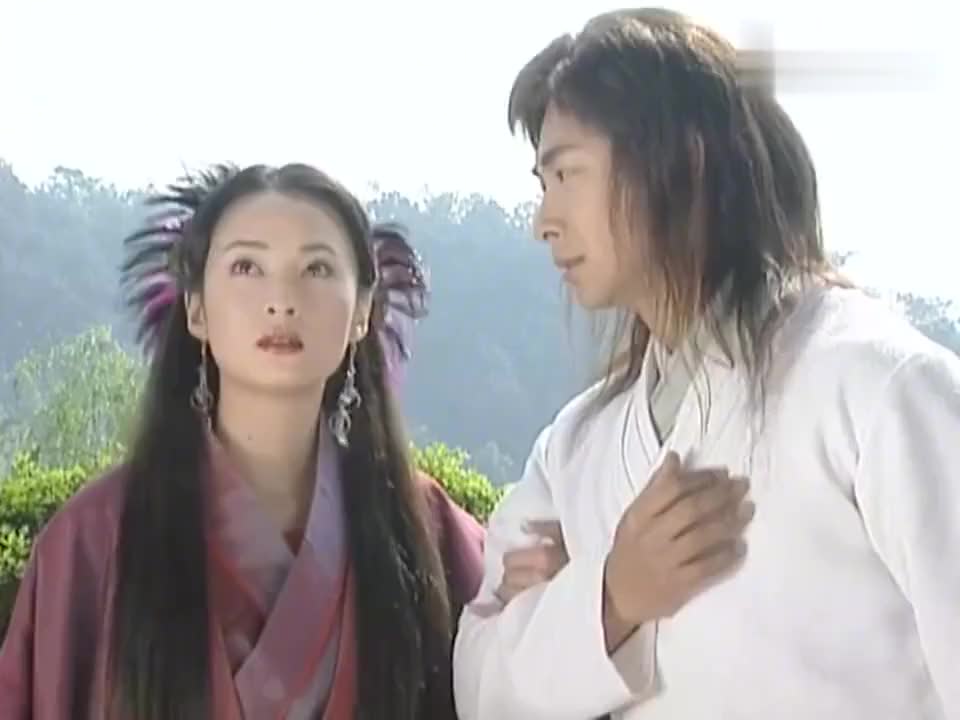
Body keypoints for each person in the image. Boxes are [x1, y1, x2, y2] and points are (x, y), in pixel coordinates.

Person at [452, 9, 959, 720]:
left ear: (683, 161)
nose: (545, 220)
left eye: (567, 173)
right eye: (543, 182)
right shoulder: (576, 448)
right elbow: (480, 686)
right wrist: (609, 596)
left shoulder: (875, 388)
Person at [0, 162, 485, 719]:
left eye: (317, 268)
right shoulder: (94, 538)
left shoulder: (430, 533)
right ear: (196, 308)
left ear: (362, 313)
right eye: (247, 266)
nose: (281, 299)